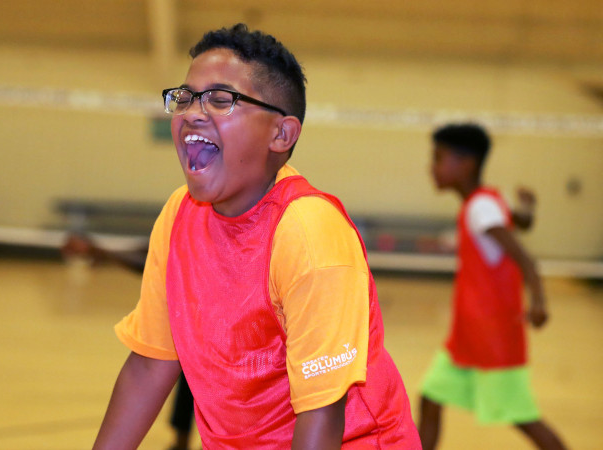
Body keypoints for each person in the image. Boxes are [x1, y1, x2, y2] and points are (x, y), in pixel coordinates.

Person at [94, 24, 420, 449]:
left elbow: (321, 416)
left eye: (220, 99)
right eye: (186, 96)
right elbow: (149, 366)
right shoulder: (179, 214)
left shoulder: (308, 233)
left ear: (281, 134)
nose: (193, 111)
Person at [419, 123, 566, 450]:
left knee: (524, 418)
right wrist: (527, 209)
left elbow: (526, 260)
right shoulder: (485, 203)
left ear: (466, 164)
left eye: (439, 158)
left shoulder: (480, 208)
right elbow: (519, 221)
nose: (432, 166)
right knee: (430, 398)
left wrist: (539, 300)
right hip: (466, 339)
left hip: (493, 339)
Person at [61, 234, 196, 449]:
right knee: (187, 370)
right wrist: (100, 250)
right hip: (200, 327)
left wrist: (102, 251)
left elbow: (154, 260)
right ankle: (181, 441)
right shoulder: (184, 218)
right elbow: (154, 249)